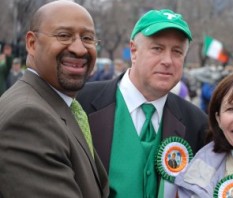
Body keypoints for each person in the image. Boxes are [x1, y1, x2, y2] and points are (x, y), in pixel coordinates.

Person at [77, 9, 208, 198]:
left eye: (177, 52)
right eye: (157, 49)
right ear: (134, 51)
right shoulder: (81, 103)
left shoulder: (197, 123)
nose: (167, 61)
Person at [0, 1, 109, 197]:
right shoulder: (29, 118)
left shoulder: (56, 105)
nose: (80, 49)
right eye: (64, 36)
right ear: (32, 43)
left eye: (87, 38)